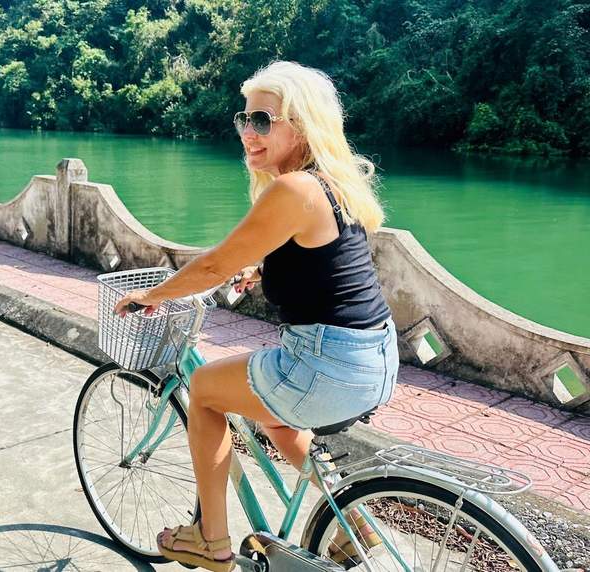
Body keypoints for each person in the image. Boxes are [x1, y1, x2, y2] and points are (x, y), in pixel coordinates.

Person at [114, 60, 400, 572]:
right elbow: (328, 271)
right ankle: (355, 528)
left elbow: (214, 264)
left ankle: (210, 542)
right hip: (375, 359)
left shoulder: (294, 190)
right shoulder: (332, 183)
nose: (250, 133)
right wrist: (263, 274)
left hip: (325, 366)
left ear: (303, 123)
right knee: (274, 415)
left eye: (264, 121)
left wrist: (153, 294)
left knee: (202, 390)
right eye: (244, 120)